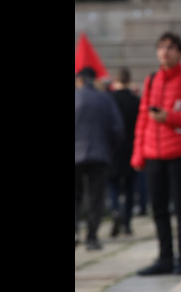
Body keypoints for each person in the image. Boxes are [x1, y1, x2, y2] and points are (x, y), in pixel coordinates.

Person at [131, 31, 181, 276]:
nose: (164, 52)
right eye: (161, 47)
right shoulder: (152, 79)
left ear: (180, 52)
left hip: (179, 153)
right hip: (154, 153)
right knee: (158, 209)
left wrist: (169, 118)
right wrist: (138, 153)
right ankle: (165, 258)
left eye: (170, 47)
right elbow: (143, 118)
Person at [75, 66, 124, 251]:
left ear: (79, 79)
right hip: (100, 155)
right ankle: (92, 236)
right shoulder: (105, 99)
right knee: (96, 197)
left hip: (76, 156)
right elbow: (117, 130)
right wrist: (109, 150)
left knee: (76, 196)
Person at [107, 67, 140, 238]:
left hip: (112, 149)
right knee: (129, 187)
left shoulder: (109, 99)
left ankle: (115, 210)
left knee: (112, 184)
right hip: (131, 149)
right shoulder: (135, 101)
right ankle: (127, 222)